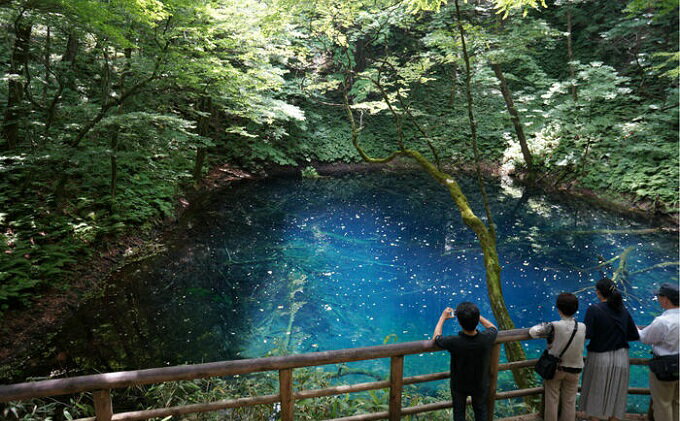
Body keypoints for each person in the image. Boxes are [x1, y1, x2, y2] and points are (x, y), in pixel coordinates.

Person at [580, 277, 640, 421]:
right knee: (617, 396)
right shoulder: (623, 311)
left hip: (600, 357)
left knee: (596, 395)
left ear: (598, 292)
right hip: (621, 357)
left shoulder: (594, 309)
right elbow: (633, 334)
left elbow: (588, 334)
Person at [432, 302, 498, 421]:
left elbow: (436, 338)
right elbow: (492, 327)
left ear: (459, 322)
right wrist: (477, 317)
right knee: (481, 411)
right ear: (477, 320)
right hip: (480, 383)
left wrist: (443, 317)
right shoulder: (486, 338)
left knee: (459, 413)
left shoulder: (454, 341)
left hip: (459, 385)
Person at [529, 293, 586, 421]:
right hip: (575, 369)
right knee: (570, 402)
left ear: (558, 308)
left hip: (556, 369)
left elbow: (533, 332)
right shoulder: (582, 327)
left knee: (552, 399)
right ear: (576, 309)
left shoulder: (554, 326)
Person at [638, 283, 679, 421]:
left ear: (666, 299)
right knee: (678, 402)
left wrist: (633, 328)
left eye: (659, 296)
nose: (658, 299)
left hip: (664, 368)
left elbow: (645, 338)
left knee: (662, 404)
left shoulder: (663, 321)